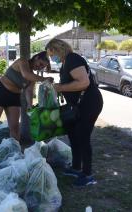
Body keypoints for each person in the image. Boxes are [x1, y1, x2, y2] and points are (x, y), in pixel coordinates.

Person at [45, 39, 103, 187]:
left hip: (88, 103)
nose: (51, 57)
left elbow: (84, 83)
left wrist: (61, 87)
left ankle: (88, 174)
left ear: (58, 49)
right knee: (73, 135)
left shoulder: (73, 59)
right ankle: (76, 167)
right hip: (76, 106)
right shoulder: (66, 62)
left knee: (83, 137)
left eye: (52, 54)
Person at [0, 51, 53, 141]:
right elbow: (26, 74)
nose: (40, 67)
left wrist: (30, 105)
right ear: (36, 57)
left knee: (14, 127)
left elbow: (29, 91)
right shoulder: (22, 61)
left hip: (14, 96)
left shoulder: (33, 76)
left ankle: (15, 150)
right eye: (40, 63)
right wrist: (45, 79)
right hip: (0, 92)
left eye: (42, 67)